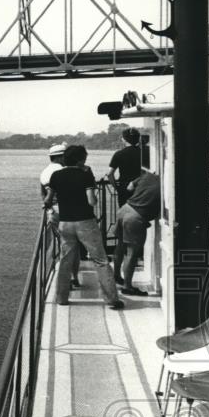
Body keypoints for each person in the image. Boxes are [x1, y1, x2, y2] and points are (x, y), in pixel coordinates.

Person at [45, 145, 124, 309]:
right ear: (81, 159)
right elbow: (91, 201)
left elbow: (48, 200)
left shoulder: (56, 175)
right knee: (100, 260)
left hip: (65, 223)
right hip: (85, 222)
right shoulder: (85, 175)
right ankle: (111, 300)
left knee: (65, 260)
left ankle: (61, 298)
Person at [113, 167, 161, 295]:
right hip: (136, 217)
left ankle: (116, 275)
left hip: (125, 209)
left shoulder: (148, 176)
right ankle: (127, 287)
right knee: (132, 253)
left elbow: (129, 187)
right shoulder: (167, 182)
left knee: (120, 246)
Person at [40, 143, 80, 288]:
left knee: (61, 245)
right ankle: (72, 278)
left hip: (52, 211)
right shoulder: (63, 171)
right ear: (60, 157)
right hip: (66, 211)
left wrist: (49, 209)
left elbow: (43, 195)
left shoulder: (44, 172)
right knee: (71, 246)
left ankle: (63, 278)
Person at [106, 127, 143, 207]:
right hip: (141, 188)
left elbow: (109, 174)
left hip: (124, 189)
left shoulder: (119, 154)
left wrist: (117, 188)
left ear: (124, 140)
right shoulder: (143, 153)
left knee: (125, 214)